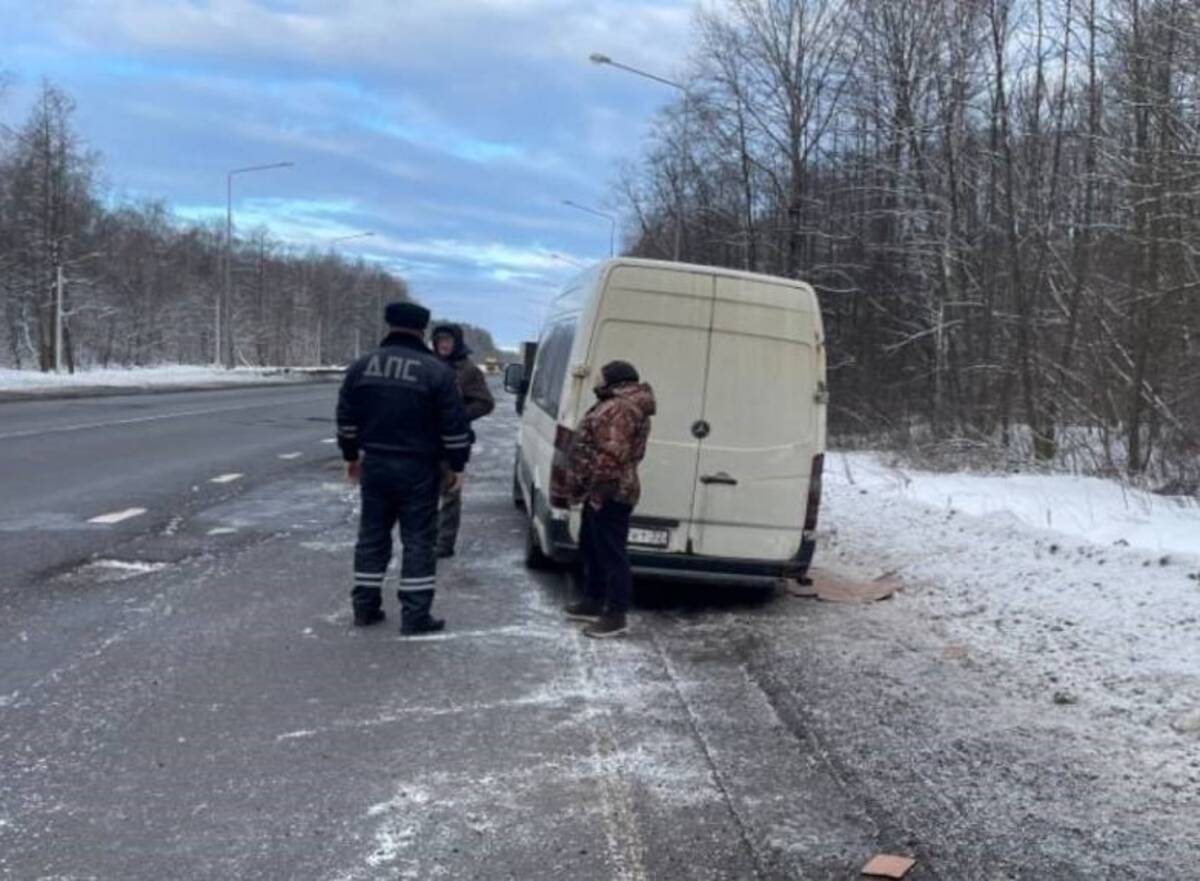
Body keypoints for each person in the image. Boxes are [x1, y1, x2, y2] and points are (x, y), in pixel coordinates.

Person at [336, 302, 472, 635]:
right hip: (418, 468)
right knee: (418, 541)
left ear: (389, 324)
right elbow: (454, 427)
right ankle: (415, 616)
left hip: (376, 465)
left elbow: (346, 420)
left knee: (371, 536)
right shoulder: (436, 372)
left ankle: (365, 608)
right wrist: (457, 466)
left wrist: (351, 456)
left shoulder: (362, 367)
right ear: (422, 330)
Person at [563, 360, 656, 638]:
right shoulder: (616, 403)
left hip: (611, 490)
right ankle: (592, 599)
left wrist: (601, 490)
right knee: (592, 547)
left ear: (614, 380)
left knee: (611, 553)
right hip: (600, 488)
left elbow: (611, 452)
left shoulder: (620, 408)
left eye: (601, 377)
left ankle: (615, 615)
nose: (596, 381)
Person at [431, 323, 495, 558]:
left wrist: (459, 414)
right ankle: (424, 537)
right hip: (424, 440)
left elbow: (485, 403)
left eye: (448, 340)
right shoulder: (426, 364)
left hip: (453, 441)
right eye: (440, 340)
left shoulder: (468, 370)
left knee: (449, 493)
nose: (444, 345)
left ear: (456, 342)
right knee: (423, 492)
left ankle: (444, 543)